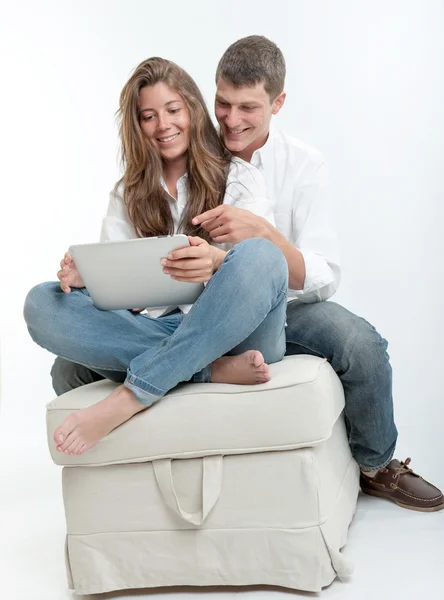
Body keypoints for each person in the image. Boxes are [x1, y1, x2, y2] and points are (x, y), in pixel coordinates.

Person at [50, 37, 443, 512]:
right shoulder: (185, 156)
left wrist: (259, 240)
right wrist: (87, 275)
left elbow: (321, 274)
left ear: (277, 103)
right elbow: (125, 266)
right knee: (61, 349)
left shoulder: (296, 167)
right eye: (223, 104)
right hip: (181, 318)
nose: (232, 120)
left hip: (282, 309)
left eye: (248, 107)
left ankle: (377, 466)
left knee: (358, 343)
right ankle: (205, 368)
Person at [24, 56, 289, 457]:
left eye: (172, 110)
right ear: (137, 126)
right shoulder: (126, 193)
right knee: (42, 303)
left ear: (192, 111)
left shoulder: (239, 177)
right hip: (168, 333)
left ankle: (131, 396)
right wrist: (86, 280)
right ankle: (203, 370)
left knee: (263, 255)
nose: (163, 125)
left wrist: (217, 263)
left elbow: (261, 274)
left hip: (237, 336)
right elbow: (117, 289)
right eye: (148, 116)